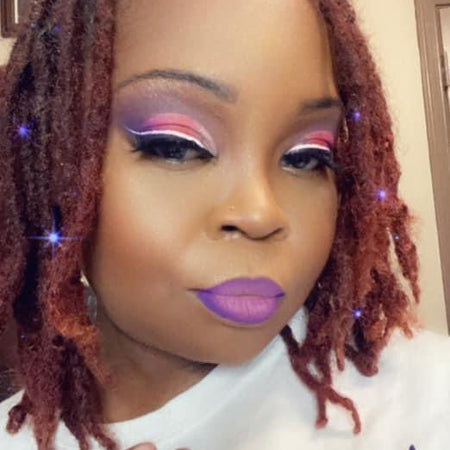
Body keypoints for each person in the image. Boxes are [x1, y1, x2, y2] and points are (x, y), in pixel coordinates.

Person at [0, 0, 449, 449]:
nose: (260, 214)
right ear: (54, 167)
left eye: (306, 157)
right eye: (176, 146)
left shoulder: (427, 399)